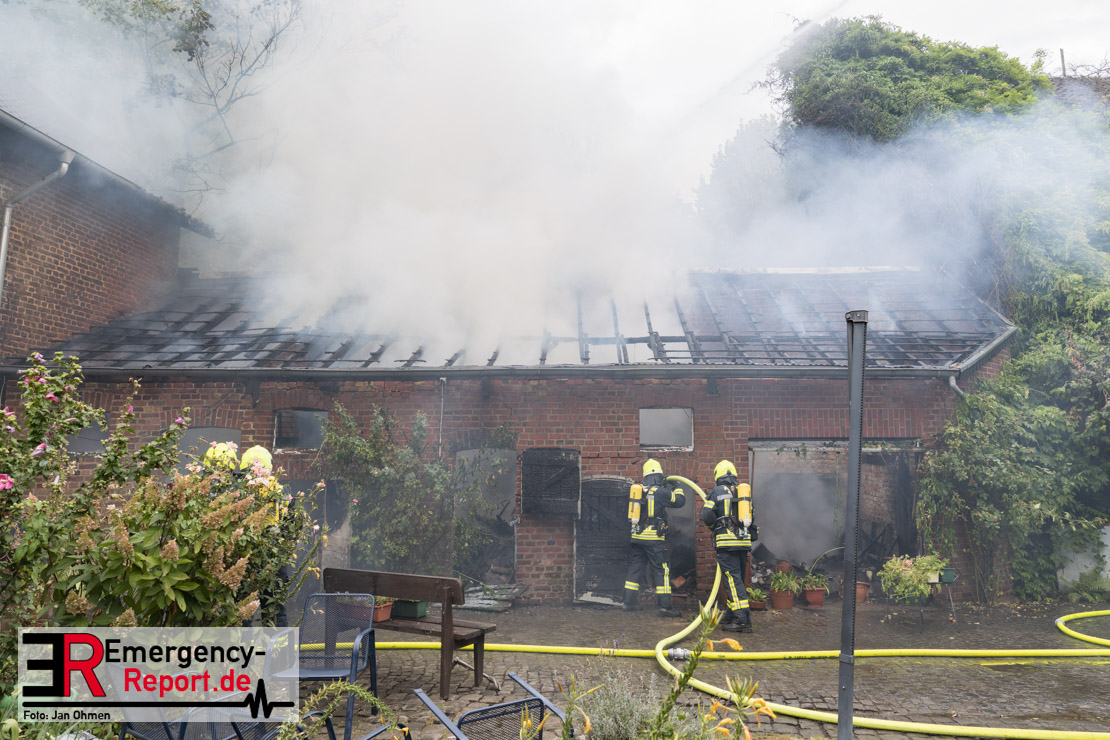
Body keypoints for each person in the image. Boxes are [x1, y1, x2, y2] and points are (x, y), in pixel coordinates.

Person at [624, 458, 686, 617]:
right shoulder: (659, 492)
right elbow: (680, 501)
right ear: (659, 476)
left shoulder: (638, 490)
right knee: (662, 569)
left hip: (636, 537)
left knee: (636, 567)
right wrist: (677, 486)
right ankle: (665, 607)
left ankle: (629, 603)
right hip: (653, 539)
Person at [240, 445, 293, 628]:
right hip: (274, 556)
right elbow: (295, 523)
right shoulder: (282, 492)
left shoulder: (240, 491)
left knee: (242, 610)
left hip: (245, 555)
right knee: (275, 611)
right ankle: (278, 647)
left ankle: (242, 647)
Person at [701, 460, 756, 633]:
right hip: (743, 543)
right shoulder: (743, 492)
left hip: (727, 543)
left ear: (718, 476)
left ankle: (742, 619)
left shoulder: (716, 492)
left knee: (732, 581)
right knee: (736, 580)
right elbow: (752, 518)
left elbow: (707, 515)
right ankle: (732, 614)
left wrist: (714, 527)